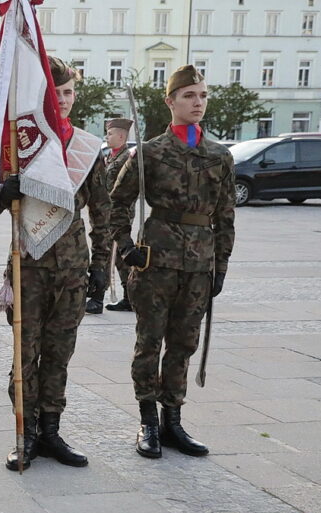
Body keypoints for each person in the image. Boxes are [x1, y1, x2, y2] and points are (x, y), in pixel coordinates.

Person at [0, 57, 111, 471]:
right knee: (25, 356)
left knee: (59, 354)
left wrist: (101, 269)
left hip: (73, 270)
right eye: (55, 95)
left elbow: (104, 216)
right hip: (29, 266)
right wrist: (7, 189)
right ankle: (25, 434)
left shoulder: (88, 149)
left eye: (69, 93)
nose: (64, 101)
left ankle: (52, 431)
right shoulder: (21, 148)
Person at [109, 64, 235, 459]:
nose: (197, 102)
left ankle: (173, 421)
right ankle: (147, 420)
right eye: (188, 96)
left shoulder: (219, 155)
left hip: (199, 264)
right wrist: (126, 247)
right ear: (170, 102)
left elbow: (226, 215)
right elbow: (116, 201)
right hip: (155, 263)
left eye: (202, 95)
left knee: (183, 344)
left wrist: (222, 266)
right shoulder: (150, 153)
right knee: (149, 342)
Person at [87, 117, 135, 314]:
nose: (107, 136)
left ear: (122, 136)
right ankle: (131, 296)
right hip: (106, 212)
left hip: (116, 214)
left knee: (106, 253)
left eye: (111, 133)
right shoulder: (111, 157)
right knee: (120, 257)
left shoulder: (126, 159)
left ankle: (97, 298)